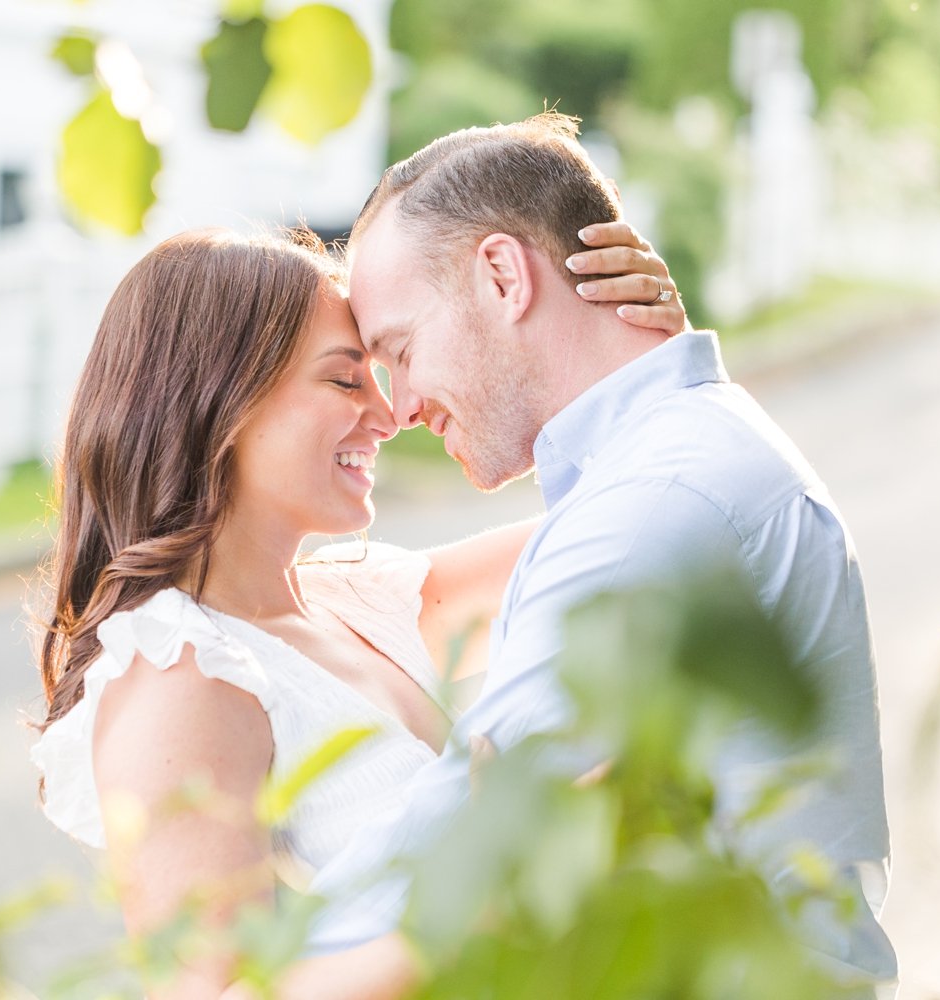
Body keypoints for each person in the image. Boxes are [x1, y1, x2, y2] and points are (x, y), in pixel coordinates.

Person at [297, 110, 897, 996]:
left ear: (503, 275)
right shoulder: (658, 470)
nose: (403, 405)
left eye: (400, 351)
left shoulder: (656, 500)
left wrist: (263, 970)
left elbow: (475, 840)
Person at [29, 222, 686, 999]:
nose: (388, 410)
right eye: (345, 381)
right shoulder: (182, 673)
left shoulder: (357, 602)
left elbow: (643, 525)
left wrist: (650, 362)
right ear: (221, 403)